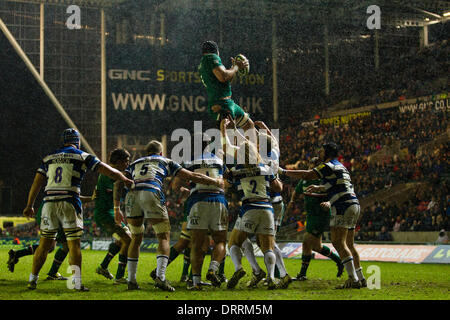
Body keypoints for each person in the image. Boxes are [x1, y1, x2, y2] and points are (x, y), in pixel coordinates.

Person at [23, 128, 133, 291]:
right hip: (69, 201)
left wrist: (29, 205)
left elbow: (37, 182)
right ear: (77, 141)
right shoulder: (82, 156)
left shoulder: (49, 158)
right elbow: (107, 169)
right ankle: (77, 283)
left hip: (49, 203)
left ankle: (32, 279)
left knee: (44, 244)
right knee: (74, 244)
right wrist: (124, 178)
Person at [114, 140, 223, 292]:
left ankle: (131, 280)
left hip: (132, 196)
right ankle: (161, 277)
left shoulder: (135, 163)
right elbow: (190, 175)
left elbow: (118, 183)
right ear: (160, 153)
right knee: (163, 237)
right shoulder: (165, 160)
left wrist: (116, 208)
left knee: (136, 238)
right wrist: (215, 181)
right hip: (151, 191)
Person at [279, 142, 366, 289]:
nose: (319, 153)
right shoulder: (340, 166)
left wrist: (283, 171)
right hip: (353, 203)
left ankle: (353, 278)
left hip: (341, 205)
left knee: (338, 242)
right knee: (349, 244)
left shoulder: (327, 166)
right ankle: (360, 278)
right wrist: (320, 188)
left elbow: (307, 174)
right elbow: (338, 185)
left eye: (321, 151)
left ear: (327, 153)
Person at [225, 137, 284, 290]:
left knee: (233, 243)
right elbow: (278, 188)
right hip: (267, 209)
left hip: (250, 208)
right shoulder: (265, 167)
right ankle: (271, 277)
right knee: (268, 248)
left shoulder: (236, 170)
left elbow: (225, 186)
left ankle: (239, 268)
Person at [175, 135, 229, 290]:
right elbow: (224, 182)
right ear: (208, 145)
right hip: (218, 200)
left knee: (197, 244)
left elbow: (176, 184)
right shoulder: (218, 160)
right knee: (220, 241)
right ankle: (213, 268)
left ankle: (196, 282)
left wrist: (186, 189)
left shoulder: (189, 161)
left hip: (198, 200)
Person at [286, 157, 344, 281]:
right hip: (311, 216)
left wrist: (329, 203)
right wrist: (292, 201)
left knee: (306, 241)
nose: (311, 169)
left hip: (321, 216)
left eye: (315, 167)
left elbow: (335, 194)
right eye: (311, 166)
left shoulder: (324, 181)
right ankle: (339, 261)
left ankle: (302, 274)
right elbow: (296, 191)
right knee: (315, 247)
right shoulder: (305, 180)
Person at [94, 148, 132, 285]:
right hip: (105, 214)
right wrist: (117, 209)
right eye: (126, 161)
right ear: (119, 161)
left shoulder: (108, 173)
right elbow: (116, 188)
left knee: (121, 240)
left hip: (106, 212)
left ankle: (103, 267)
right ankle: (120, 276)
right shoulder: (110, 174)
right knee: (128, 240)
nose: (128, 164)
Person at [198, 40, 254, 131]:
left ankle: (250, 146)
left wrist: (233, 67)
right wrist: (236, 67)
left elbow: (226, 80)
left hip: (227, 102)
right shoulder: (211, 58)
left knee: (249, 125)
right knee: (229, 138)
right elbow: (223, 77)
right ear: (217, 52)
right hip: (222, 104)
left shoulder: (205, 62)